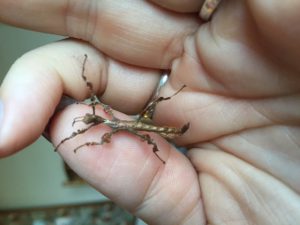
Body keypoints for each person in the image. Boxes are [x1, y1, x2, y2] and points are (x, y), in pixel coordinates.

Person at [0, 0, 299, 224]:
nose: (89, 120)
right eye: (91, 121)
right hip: (151, 129)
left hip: (158, 129)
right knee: (139, 138)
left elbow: (92, 103)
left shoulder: (105, 115)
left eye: (90, 119)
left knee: (149, 137)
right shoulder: (105, 118)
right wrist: (72, 139)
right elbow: (94, 124)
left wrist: (74, 136)